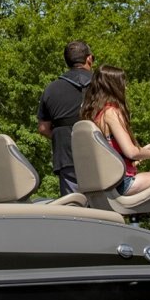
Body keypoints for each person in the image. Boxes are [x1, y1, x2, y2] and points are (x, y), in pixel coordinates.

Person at [80, 65, 150, 246]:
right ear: (113, 85)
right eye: (123, 83)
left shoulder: (93, 115)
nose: (126, 87)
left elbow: (115, 152)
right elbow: (131, 151)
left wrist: (142, 152)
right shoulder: (111, 112)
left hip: (105, 185)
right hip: (123, 183)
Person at [37, 41, 94, 195]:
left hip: (67, 158)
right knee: (104, 205)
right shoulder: (104, 84)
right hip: (102, 156)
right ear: (89, 59)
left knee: (74, 206)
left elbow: (43, 128)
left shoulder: (51, 89)